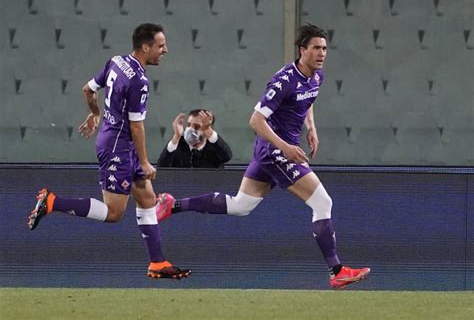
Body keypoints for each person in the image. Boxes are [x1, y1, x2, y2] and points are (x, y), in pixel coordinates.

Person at [156, 23, 370, 289]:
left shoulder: (317, 76)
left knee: (240, 206)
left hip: (271, 152)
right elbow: (256, 120)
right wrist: (286, 147)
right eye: (316, 48)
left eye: (324, 48)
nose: (322, 53)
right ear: (302, 50)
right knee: (322, 202)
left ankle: (171, 204)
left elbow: (308, 100)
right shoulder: (284, 81)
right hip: (275, 152)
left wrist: (311, 128)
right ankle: (336, 271)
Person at [27, 23, 190, 280]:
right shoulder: (140, 81)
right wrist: (145, 162)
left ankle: (158, 262)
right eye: (160, 45)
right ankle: (52, 201)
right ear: (145, 47)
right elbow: (137, 125)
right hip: (119, 147)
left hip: (117, 141)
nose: (165, 50)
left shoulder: (116, 61)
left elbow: (88, 89)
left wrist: (95, 114)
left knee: (147, 200)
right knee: (114, 212)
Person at [157, 109, 233, 168]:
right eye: (189, 125)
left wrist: (208, 130)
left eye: (196, 126)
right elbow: (162, 166)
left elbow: (227, 156)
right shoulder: (178, 143)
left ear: (207, 129)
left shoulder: (215, 147)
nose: (190, 129)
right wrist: (176, 136)